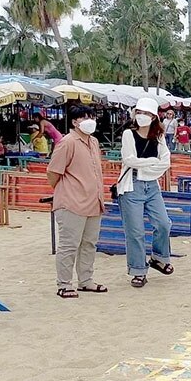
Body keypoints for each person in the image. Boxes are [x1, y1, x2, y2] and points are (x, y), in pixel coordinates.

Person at [46, 105, 106, 298]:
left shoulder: (94, 142)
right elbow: (53, 172)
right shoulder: (67, 142)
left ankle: (86, 281)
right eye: (83, 118)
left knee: (89, 243)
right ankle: (64, 284)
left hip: (94, 201)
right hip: (72, 202)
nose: (89, 121)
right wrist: (66, 190)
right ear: (74, 122)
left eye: (91, 116)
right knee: (69, 244)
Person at [117, 98, 173, 288]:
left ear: (154, 117)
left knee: (164, 223)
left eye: (147, 113)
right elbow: (129, 159)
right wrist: (151, 162)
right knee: (135, 231)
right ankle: (138, 270)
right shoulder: (128, 134)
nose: (143, 116)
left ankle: (159, 257)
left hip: (152, 185)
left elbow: (165, 162)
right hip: (131, 184)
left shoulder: (158, 136)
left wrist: (149, 165)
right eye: (139, 112)